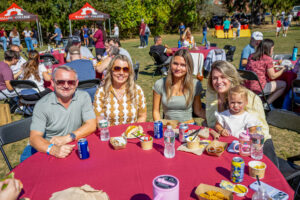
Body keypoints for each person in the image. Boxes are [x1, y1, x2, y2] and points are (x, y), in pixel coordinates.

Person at [205, 60, 277, 166]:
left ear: (231, 78)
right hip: (224, 143)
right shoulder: (212, 94)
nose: (218, 81)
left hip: (255, 144)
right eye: (215, 78)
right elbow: (212, 121)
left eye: (223, 77)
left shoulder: (249, 97)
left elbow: (260, 130)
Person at [21, 65, 96, 161]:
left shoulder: (83, 97)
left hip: (69, 146)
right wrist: (53, 149)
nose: (66, 86)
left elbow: (91, 125)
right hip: (46, 150)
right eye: (60, 82)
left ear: (77, 83)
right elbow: (34, 138)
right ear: (52, 83)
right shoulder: (42, 105)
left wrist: (68, 138)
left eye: (71, 82)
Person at [152, 49, 204, 123]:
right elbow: (155, 111)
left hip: (189, 127)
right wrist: (159, 127)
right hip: (169, 128)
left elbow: (198, 111)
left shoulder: (195, 84)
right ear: (170, 64)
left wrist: (215, 119)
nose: (178, 68)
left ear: (188, 67)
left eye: (183, 65)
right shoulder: (159, 84)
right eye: (175, 64)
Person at [94, 55, 147, 125]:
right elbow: (98, 119)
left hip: (131, 134)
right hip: (110, 134)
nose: (121, 73)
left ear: (129, 72)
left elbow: (142, 116)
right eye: (117, 68)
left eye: (125, 69)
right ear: (111, 70)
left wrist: (135, 130)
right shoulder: (101, 92)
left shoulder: (137, 90)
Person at [245, 39, 286, 109]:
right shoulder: (268, 59)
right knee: (283, 84)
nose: (273, 50)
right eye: (272, 48)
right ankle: (267, 104)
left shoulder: (251, 56)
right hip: (259, 88)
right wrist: (283, 70)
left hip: (247, 85)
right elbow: (272, 76)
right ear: (269, 49)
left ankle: (264, 101)